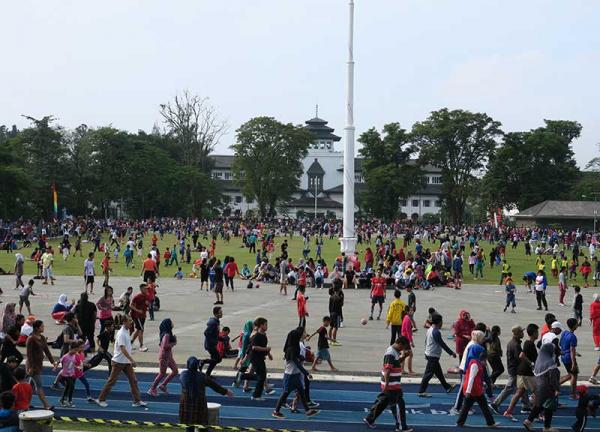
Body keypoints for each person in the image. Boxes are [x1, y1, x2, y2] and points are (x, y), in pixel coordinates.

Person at [94, 314, 147, 408]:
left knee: (133, 380)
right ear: (124, 322)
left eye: (131, 320)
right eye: (129, 320)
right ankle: (100, 399)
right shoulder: (121, 333)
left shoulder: (126, 331)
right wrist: (132, 360)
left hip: (126, 362)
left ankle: (137, 401)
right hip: (118, 362)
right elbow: (122, 349)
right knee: (111, 381)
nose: (131, 322)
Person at [363, 336, 414, 432]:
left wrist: (404, 356)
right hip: (391, 385)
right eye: (403, 347)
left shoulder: (394, 352)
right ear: (400, 344)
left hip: (391, 384)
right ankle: (401, 427)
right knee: (399, 404)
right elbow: (387, 369)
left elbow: (396, 363)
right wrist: (386, 385)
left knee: (382, 402)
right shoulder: (390, 353)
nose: (403, 349)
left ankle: (369, 419)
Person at [272, 328, 320, 419]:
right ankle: (276, 411)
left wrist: (302, 357)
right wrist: (306, 373)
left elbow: (298, 358)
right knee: (285, 393)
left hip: (295, 374)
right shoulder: (291, 349)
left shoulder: (294, 347)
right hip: (290, 375)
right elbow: (296, 362)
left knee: (301, 391)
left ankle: (308, 411)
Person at [179, 356, 233, 432]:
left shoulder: (183, 375)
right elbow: (214, 386)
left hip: (187, 402)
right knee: (202, 425)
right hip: (199, 403)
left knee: (189, 426)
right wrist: (226, 392)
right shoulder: (202, 376)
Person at [490, 325, 531, 415]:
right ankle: (495, 404)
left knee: (522, 387)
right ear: (517, 333)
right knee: (509, 388)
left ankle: (526, 406)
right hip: (515, 370)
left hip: (514, 369)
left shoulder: (512, 343)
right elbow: (519, 358)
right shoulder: (515, 345)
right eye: (521, 331)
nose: (523, 333)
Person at [455, 345, 498, 428]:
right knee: (483, 406)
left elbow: (478, 377)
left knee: (467, 406)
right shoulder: (474, 364)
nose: (483, 356)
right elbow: (471, 378)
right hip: (474, 390)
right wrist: (468, 391)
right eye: (482, 354)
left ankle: (460, 422)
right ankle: (490, 423)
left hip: (475, 389)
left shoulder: (474, 361)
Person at [502, 323, 538, 420]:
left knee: (519, 393)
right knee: (537, 393)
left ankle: (508, 412)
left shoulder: (527, 343)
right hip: (526, 373)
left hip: (523, 372)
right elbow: (521, 355)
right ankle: (537, 415)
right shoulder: (528, 344)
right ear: (534, 333)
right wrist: (531, 364)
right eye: (537, 332)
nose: (538, 334)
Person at [522, 343, 561, 432]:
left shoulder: (539, 361)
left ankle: (530, 421)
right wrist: (557, 389)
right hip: (547, 387)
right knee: (547, 406)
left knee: (540, 405)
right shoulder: (550, 362)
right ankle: (545, 427)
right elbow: (553, 378)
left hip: (538, 386)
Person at [417, 314, 457, 397]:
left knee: (439, 373)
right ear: (439, 322)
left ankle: (447, 387)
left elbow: (426, 341)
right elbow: (442, 344)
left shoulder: (430, 329)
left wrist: (425, 351)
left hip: (430, 354)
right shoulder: (436, 332)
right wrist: (451, 353)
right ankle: (421, 391)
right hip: (433, 356)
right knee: (428, 374)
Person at [26, 320, 58, 410]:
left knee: (31, 385)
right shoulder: (31, 339)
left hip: (39, 364)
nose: (43, 328)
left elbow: (46, 350)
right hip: (33, 366)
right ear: (37, 328)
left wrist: (53, 362)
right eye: (42, 326)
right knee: (39, 385)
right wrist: (31, 367)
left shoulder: (42, 338)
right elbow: (29, 354)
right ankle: (46, 405)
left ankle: (26, 402)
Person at [148, 318, 178, 396]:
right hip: (164, 357)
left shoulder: (168, 334)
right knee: (162, 373)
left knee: (175, 370)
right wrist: (173, 343)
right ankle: (152, 389)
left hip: (169, 356)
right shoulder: (166, 335)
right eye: (171, 322)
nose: (172, 324)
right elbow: (165, 346)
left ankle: (163, 385)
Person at [559, 317, 579, 399]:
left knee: (570, 374)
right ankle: (573, 394)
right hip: (569, 358)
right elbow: (572, 350)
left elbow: (561, 344)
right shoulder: (573, 337)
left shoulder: (564, 333)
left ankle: (556, 384)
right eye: (577, 324)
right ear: (574, 325)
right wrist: (574, 363)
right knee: (574, 375)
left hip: (563, 356)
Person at [129, 284, 149, 352]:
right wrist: (138, 310)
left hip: (143, 315)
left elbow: (147, 304)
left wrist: (148, 304)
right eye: (145, 288)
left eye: (147, 288)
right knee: (141, 330)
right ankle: (141, 346)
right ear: (141, 289)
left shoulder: (146, 296)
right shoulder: (137, 296)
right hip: (137, 316)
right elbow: (131, 305)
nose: (146, 290)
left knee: (138, 330)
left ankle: (130, 343)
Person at [204, 306, 222, 377]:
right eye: (220, 313)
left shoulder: (216, 321)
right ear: (216, 314)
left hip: (212, 344)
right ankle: (202, 362)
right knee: (218, 358)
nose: (221, 314)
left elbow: (214, 333)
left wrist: (220, 339)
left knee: (214, 359)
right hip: (210, 345)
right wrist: (214, 341)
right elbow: (206, 333)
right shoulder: (213, 323)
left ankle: (207, 374)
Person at [59, 342, 79, 407]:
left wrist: (76, 367)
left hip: (72, 374)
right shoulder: (65, 356)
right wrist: (56, 366)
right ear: (71, 349)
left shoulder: (74, 356)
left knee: (68, 387)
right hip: (65, 375)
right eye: (75, 350)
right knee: (71, 386)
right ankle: (67, 400)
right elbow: (60, 361)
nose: (76, 352)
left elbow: (73, 364)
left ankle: (64, 400)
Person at [400, 306, 415, 375]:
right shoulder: (408, 319)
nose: (412, 312)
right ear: (407, 311)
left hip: (403, 338)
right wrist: (411, 342)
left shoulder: (405, 317)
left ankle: (402, 369)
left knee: (404, 354)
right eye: (411, 311)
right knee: (410, 354)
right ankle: (410, 370)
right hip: (405, 339)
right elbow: (408, 331)